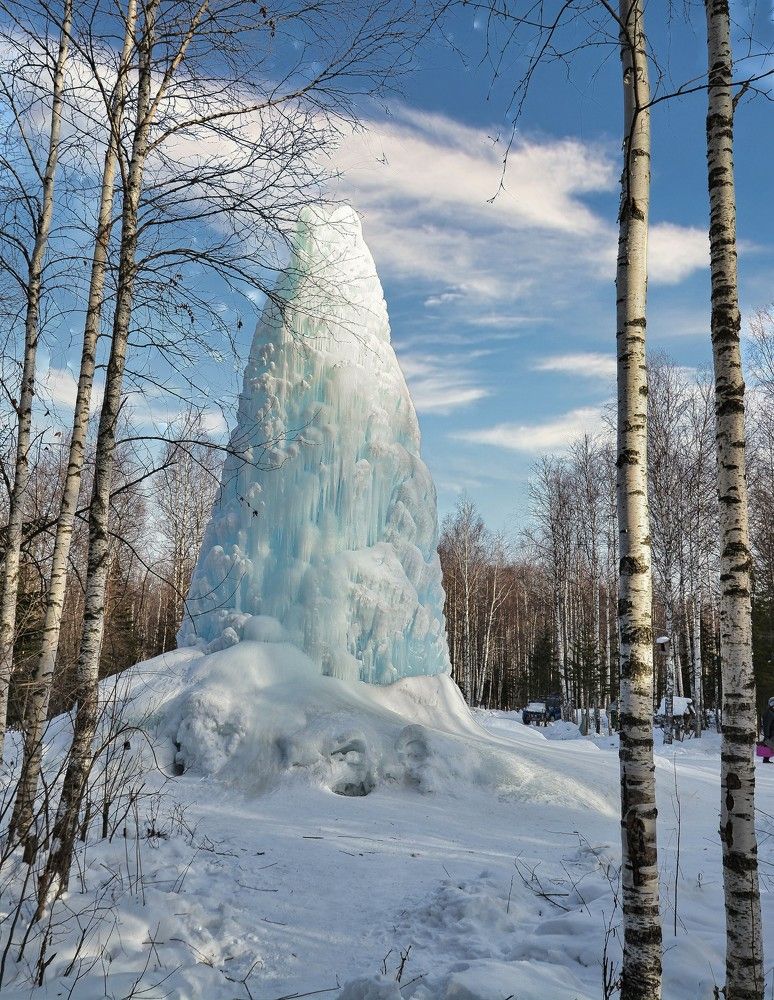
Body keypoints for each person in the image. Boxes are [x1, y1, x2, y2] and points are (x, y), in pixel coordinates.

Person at [762, 697, 774, 763]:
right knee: (769, 745)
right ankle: (766, 759)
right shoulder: (769, 713)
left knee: (769, 746)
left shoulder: (772, 712)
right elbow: (766, 726)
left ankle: (766, 759)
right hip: (771, 734)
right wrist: (766, 736)